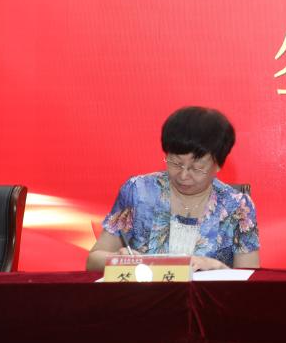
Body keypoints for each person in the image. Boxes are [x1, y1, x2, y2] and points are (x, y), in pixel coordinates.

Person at [87, 106, 260, 271]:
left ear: (218, 165)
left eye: (197, 168)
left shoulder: (238, 207)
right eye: (175, 163)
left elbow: (250, 278)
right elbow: (93, 261)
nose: (183, 175)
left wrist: (219, 268)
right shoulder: (138, 192)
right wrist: (119, 259)